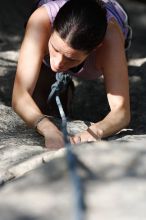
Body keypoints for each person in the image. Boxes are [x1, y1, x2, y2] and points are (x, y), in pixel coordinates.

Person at [12, 0, 132, 149]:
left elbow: (121, 111)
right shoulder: (41, 20)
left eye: (70, 59)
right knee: (40, 105)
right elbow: (20, 96)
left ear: (96, 48)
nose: (57, 63)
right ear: (52, 26)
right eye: (55, 49)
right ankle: (65, 88)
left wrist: (93, 133)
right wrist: (48, 129)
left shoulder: (110, 40)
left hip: (110, 25)